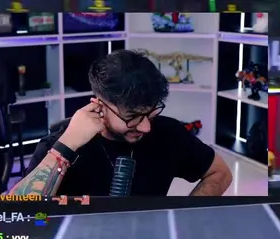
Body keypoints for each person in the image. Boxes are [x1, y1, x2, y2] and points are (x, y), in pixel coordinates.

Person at [14, 50, 232, 198]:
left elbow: (220, 173)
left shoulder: (169, 133)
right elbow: (18, 215)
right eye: (132, 116)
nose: (145, 127)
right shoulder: (60, 144)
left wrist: (183, 218)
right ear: (99, 105)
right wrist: (66, 146)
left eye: (150, 113)